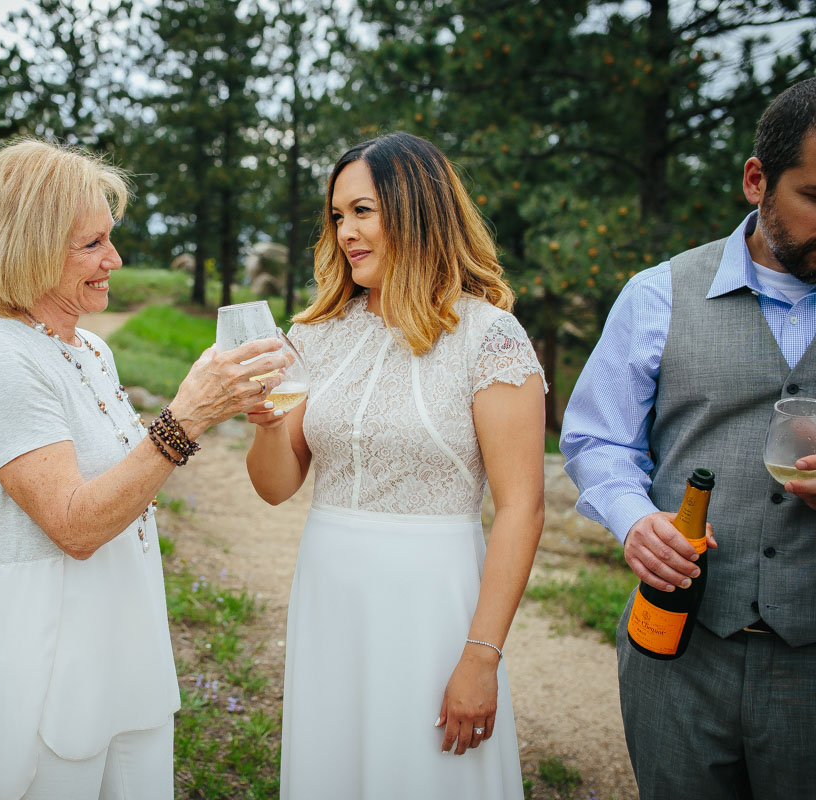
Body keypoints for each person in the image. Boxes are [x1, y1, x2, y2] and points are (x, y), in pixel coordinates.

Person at [0, 139, 290, 800]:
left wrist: (220, 411)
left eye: (111, 238)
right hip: (53, 667)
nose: (115, 260)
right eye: (92, 244)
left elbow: (125, 478)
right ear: (28, 247)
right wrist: (185, 419)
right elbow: (73, 524)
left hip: (127, 649)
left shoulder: (91, 349)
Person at [245, 132, 546, 798]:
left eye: (363, 212)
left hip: (433, 603)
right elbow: (274, 488)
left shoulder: (489, 337)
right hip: (330, 594)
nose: (346, 232)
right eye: (337, 216)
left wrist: (481, 655)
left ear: (415, 212)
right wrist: (266, 425)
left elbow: (522, 508)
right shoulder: (315, 335)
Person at [560, 77, 816, 799]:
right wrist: (634, 519)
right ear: (756, 180)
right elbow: (598, 440)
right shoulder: (656, 295)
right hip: (678, 651)